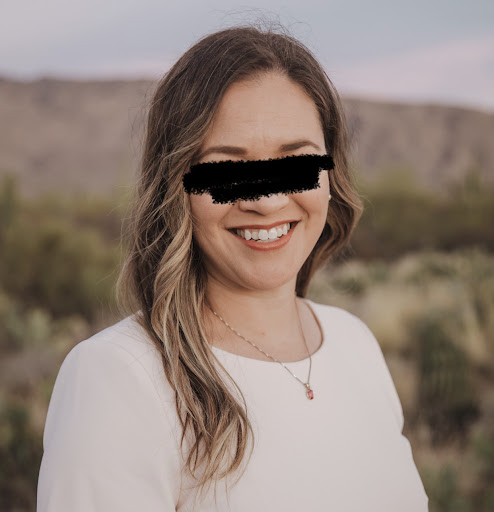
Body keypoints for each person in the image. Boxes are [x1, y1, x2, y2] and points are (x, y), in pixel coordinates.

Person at [37, 23, 429, 511]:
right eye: (226, 168)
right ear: (175, 186)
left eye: (296, 161)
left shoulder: (355, 343)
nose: (265, 200)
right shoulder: (119, 378)